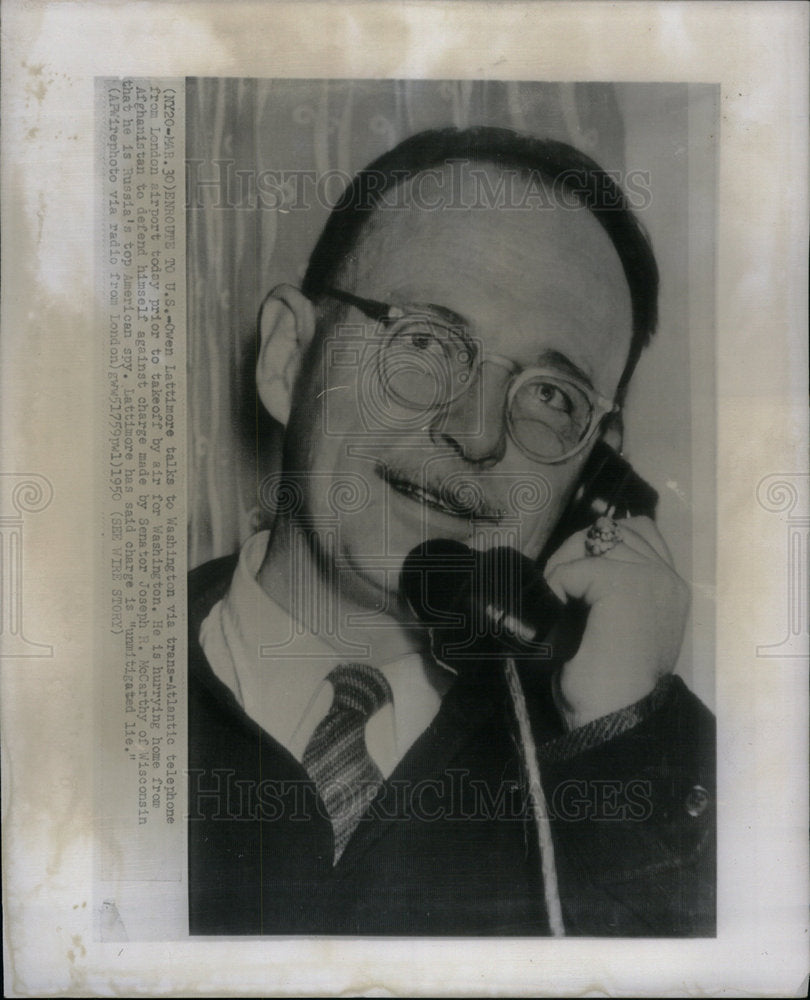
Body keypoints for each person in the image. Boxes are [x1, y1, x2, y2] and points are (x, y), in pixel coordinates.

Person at [187, 126, 715, 936]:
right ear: (290, 360)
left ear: (589, 475)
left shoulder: (649, 764)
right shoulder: (82, 679)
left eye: (551, 396)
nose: (476, 434)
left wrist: (620, 739)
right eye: (427, 343)